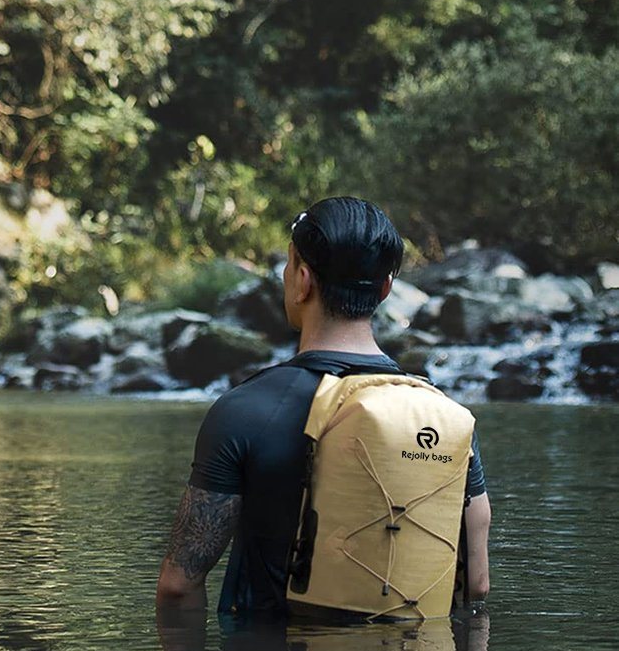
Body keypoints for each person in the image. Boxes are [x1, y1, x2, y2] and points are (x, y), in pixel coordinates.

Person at [155, 196, 491, 615]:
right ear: (386, 288)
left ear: (302, 279)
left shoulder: (243, 411)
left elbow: (178, 587)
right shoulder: (446, 419)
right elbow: (476, 584)